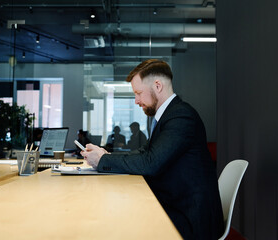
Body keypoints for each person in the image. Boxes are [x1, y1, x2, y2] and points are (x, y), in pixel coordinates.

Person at [81, 59, 224, 239]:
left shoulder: (181, 116)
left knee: (118, 222)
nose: (136, 101)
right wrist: (106, 155)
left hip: (190, 218)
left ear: (157, 86)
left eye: (138, 93)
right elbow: (144, 152)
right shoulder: (169, 115)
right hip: (176, 204)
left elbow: (151, 162)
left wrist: (103, 161)